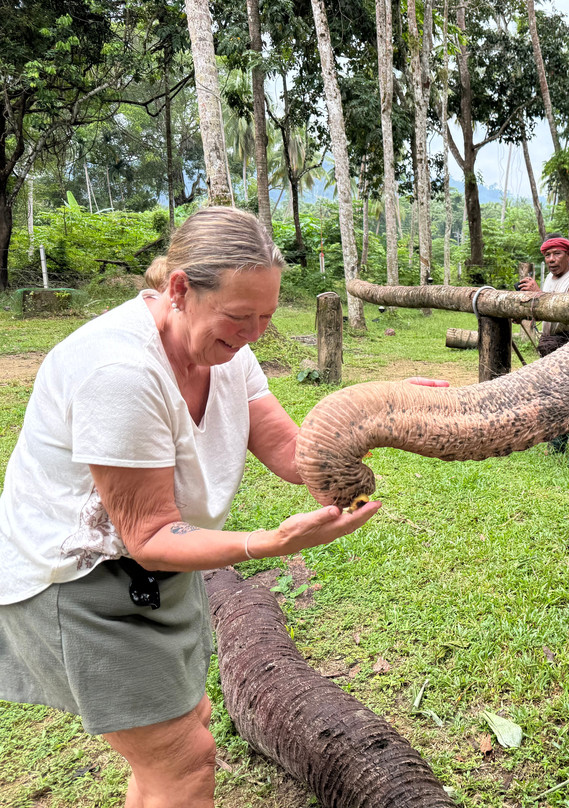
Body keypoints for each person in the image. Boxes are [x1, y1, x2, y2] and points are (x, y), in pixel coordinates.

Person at [0, 207, 442, 807]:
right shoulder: (118, 372)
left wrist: (377, 412)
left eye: (266, 316)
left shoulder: (227, 351)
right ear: (179, 288)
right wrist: (269, 543)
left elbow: (292, 453)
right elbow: (150, 534)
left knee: (179, 733)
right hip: (78, 581)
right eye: (240, 317)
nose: (255, 333)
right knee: (184, 762)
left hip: (160, 575)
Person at [516, 235, 569, 463]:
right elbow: (544, 310)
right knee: (551, 397)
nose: (551, 259)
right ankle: (557, 445)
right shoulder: (548, 279)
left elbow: (563, 310)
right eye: (547, 255)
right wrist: (523, 312)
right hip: (551, 344)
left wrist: (539, 294)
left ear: (568, 256)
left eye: (557, 254)